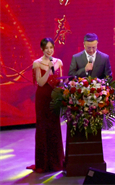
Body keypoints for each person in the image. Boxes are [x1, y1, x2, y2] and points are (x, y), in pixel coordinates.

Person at [30, 38, 64, 173]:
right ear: (42, 49)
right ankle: (43, 163)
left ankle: (56, 161)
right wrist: (49, 68)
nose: (49, 50)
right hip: (42, 98)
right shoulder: (37, 63)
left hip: (54, 98)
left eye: (51, 48)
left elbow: (60, 81)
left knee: (54, 126)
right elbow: (40, 82)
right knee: (43, 127)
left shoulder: (58, 62)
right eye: (46, 48)